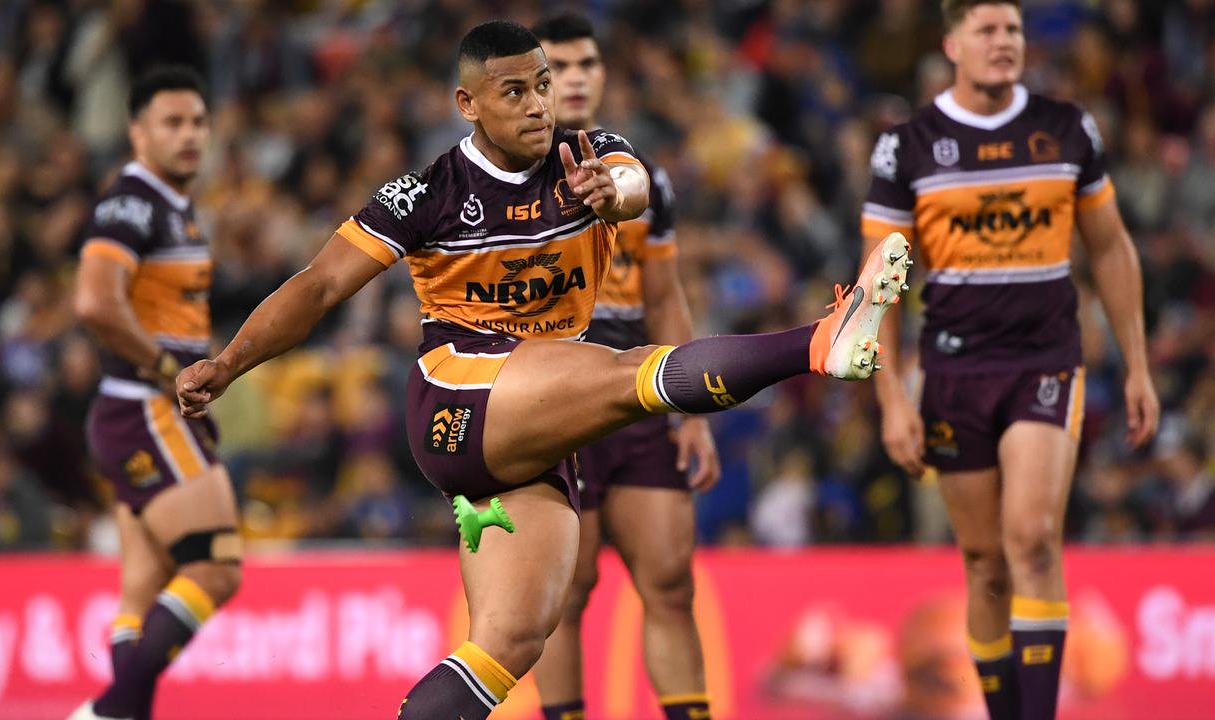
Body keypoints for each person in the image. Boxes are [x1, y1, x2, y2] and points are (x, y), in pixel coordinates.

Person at [176, 21, 908, 720]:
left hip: (528, 436)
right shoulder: (425, 193)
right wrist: (231, 361)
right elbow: (317, 287)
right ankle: (818, 344)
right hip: (458, 399)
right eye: (513, 92)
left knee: (511, 643)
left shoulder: (589, 155)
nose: (537, 105)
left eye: (543, 84)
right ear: (468, 104)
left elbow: (634, 184)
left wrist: (613, 194)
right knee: (627, 372)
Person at [860, 2, 1159, 718]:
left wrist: (1138, 362)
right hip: (953, 371)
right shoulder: (908, 148)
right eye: (988, 31)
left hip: (1045, 359)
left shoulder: (1066, 129)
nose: (1004, 44)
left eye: (1014, 31)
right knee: (985, 565)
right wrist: (892, 398)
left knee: (1030, 538)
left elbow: (1111, 246)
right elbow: (881, 280)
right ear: (952, 43)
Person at [528, 15, 718, 720]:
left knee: (670, 581)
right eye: (561, 67)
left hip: (637, 388)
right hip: (552, 397)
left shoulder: (646, 182)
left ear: (604, 76)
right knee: (563, 594)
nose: (577, 78)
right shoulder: (505, 175)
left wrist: (692, 413)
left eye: (588, 65)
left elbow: (666, 298)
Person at [69, 66, 242, 720]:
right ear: (137, 131)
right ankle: (111, 710)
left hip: (129, 413)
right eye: (172, 122)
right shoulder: (133, 201)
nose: (191, 135)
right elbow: (94, 301)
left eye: (198, 121)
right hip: (145, 407)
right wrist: (168, 370)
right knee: (216, 567)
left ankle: (124, 713)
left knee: (140, 591)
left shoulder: (169, 203)